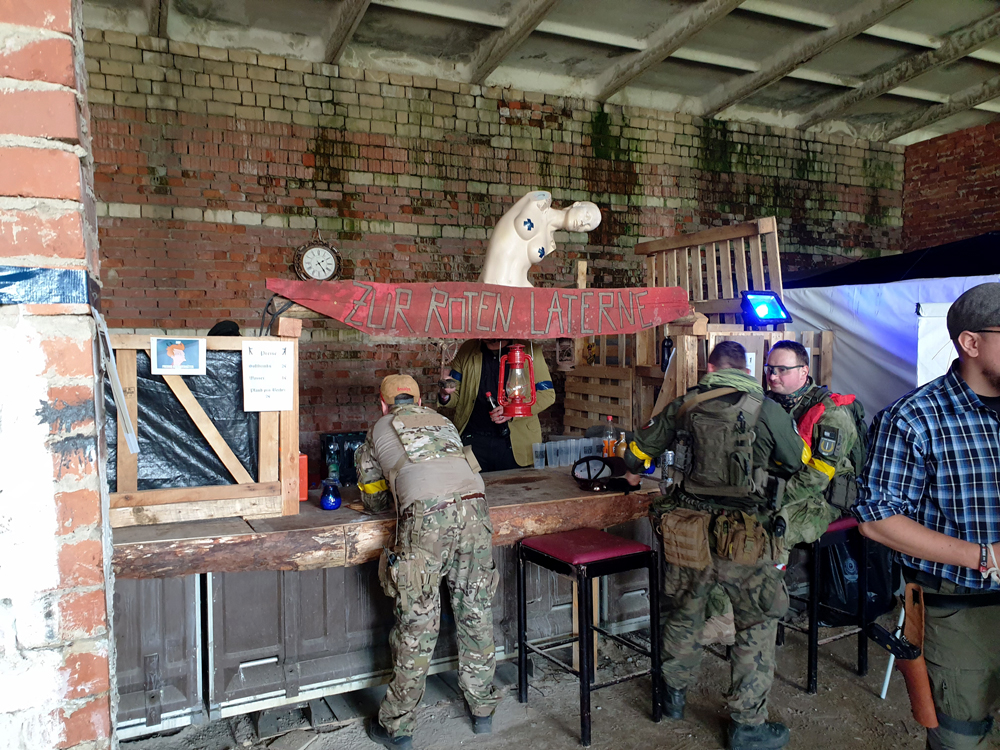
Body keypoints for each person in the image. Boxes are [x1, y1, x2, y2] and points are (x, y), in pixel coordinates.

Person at [623, 341, 807, 750]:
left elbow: (636, 453)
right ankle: (747, 724)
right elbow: (798, 460)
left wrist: (636, 469)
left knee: (685, 612)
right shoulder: (767, 408)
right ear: (747, 370)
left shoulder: (684, 405)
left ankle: (671, 698)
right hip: (745, 537)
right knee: (756, 623)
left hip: (689, 531)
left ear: (710, 368)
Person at [855, 282, 1000, 750]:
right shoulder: (913, 419)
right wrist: (985, 556)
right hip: (959, 611)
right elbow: (877, 518)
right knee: (963, 736)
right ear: (971, 342)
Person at [355, 375, 501, 749]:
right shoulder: (444, 423)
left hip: (426, 521)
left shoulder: (379, 430)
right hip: (476, 512)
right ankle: (483, 710)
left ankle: (397, 727)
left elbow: (374, 500)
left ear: (383, 405)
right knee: (476, 610)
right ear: (420, 401)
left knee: (418, 624)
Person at [765, 340, 862, 547]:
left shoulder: (831, 413)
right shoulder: (766, 403)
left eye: (782, 370)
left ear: (804, 371)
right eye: (770, 369)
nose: (772, 376)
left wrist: (776, 499)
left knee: (770, 535)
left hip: (821, 497)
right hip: (776, 486)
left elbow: (819, 475)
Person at [438, 338, 554, 471]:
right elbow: (455, 396)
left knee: (516, 484)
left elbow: (547, 395)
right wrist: (445, 394)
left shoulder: (531, 351)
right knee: (473, 484)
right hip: (474, 440)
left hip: (514, 443)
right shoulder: (468, 349)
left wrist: (512, 412)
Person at [478, 189, 601, 287]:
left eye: (587, 227)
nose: (583, 223)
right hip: (492, 283)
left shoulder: (549, 243)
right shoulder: (541, 199)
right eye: (587, 215)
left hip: (515, 289)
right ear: (577, 204)